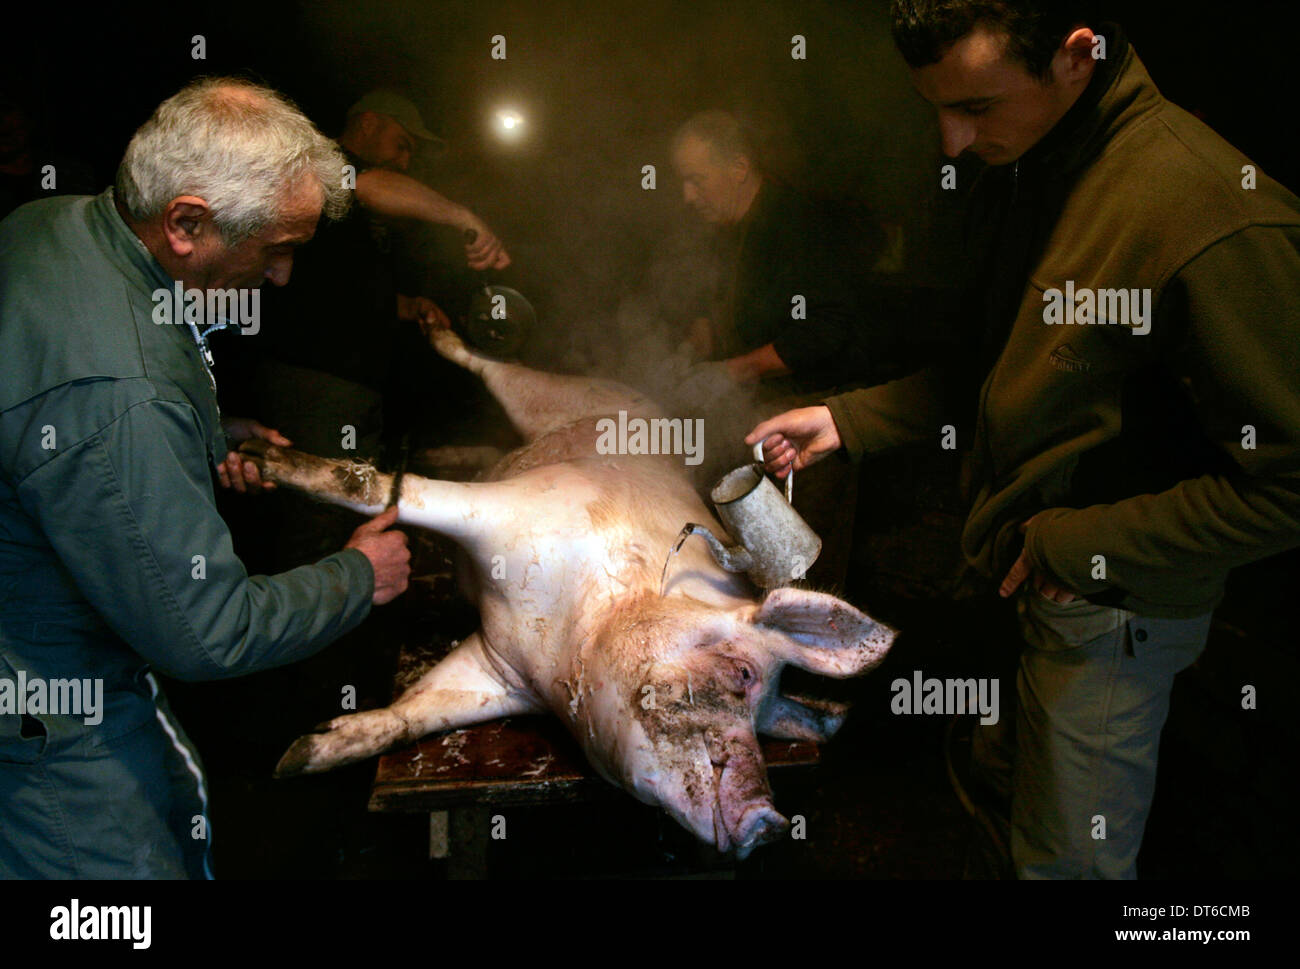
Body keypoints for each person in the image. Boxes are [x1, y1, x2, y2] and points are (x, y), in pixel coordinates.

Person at [748, 1, 1300, 878]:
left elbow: (1288, 483)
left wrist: (1073, 545)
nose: (951, 143)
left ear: (1078, 55)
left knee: (1067, 866)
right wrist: (848, 420)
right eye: (936, 108)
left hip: (1112, 613)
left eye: (977, 107)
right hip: (1024, 584)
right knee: (999, 799)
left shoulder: (1212, 211)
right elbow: (1010, 372)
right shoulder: (1049, 159)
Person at [0, 78, 412, 878]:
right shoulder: (122, 396)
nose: (284, 276)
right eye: (275, 248)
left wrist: (199, 436)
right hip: (49, 714)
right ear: (186, 223)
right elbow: (206, 630)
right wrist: (359, 577)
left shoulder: (50, 225)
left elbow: (55, 412)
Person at [252, 89, 510, 464]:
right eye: (401, 145)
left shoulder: (357, 213)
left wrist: (408, 306)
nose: (404, 162)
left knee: (354, 506)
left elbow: (341, 286)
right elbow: (370, 185)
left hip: (357, 387)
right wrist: (464, 217)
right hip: (312, 380)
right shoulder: (320, 161)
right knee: (319, 506)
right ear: (369, 122)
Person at [669, 110, 875, 391]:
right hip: (753, 400)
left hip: (813, 401)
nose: (687, 196)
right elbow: (714, 305)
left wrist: (731, 372)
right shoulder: (720, 228)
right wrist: (691, 350)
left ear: (739, 168)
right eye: (683, 182)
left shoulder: (799, 222)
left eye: (697, 180)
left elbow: (826, 328)